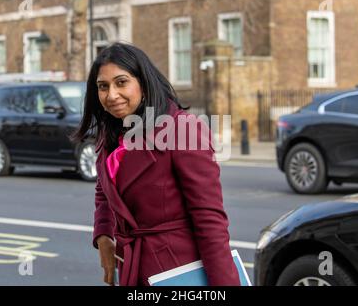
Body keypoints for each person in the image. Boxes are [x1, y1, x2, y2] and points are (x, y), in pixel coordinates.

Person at [73, 42, 240, 286]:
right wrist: (103, 236)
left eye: (121, 82)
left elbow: (209, 219)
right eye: (102, 86)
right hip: (132, 266)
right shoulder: (113, 132)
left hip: (177, 272)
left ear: (143, 81)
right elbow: (105, 190)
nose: (111, 95)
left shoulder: (181, 128)